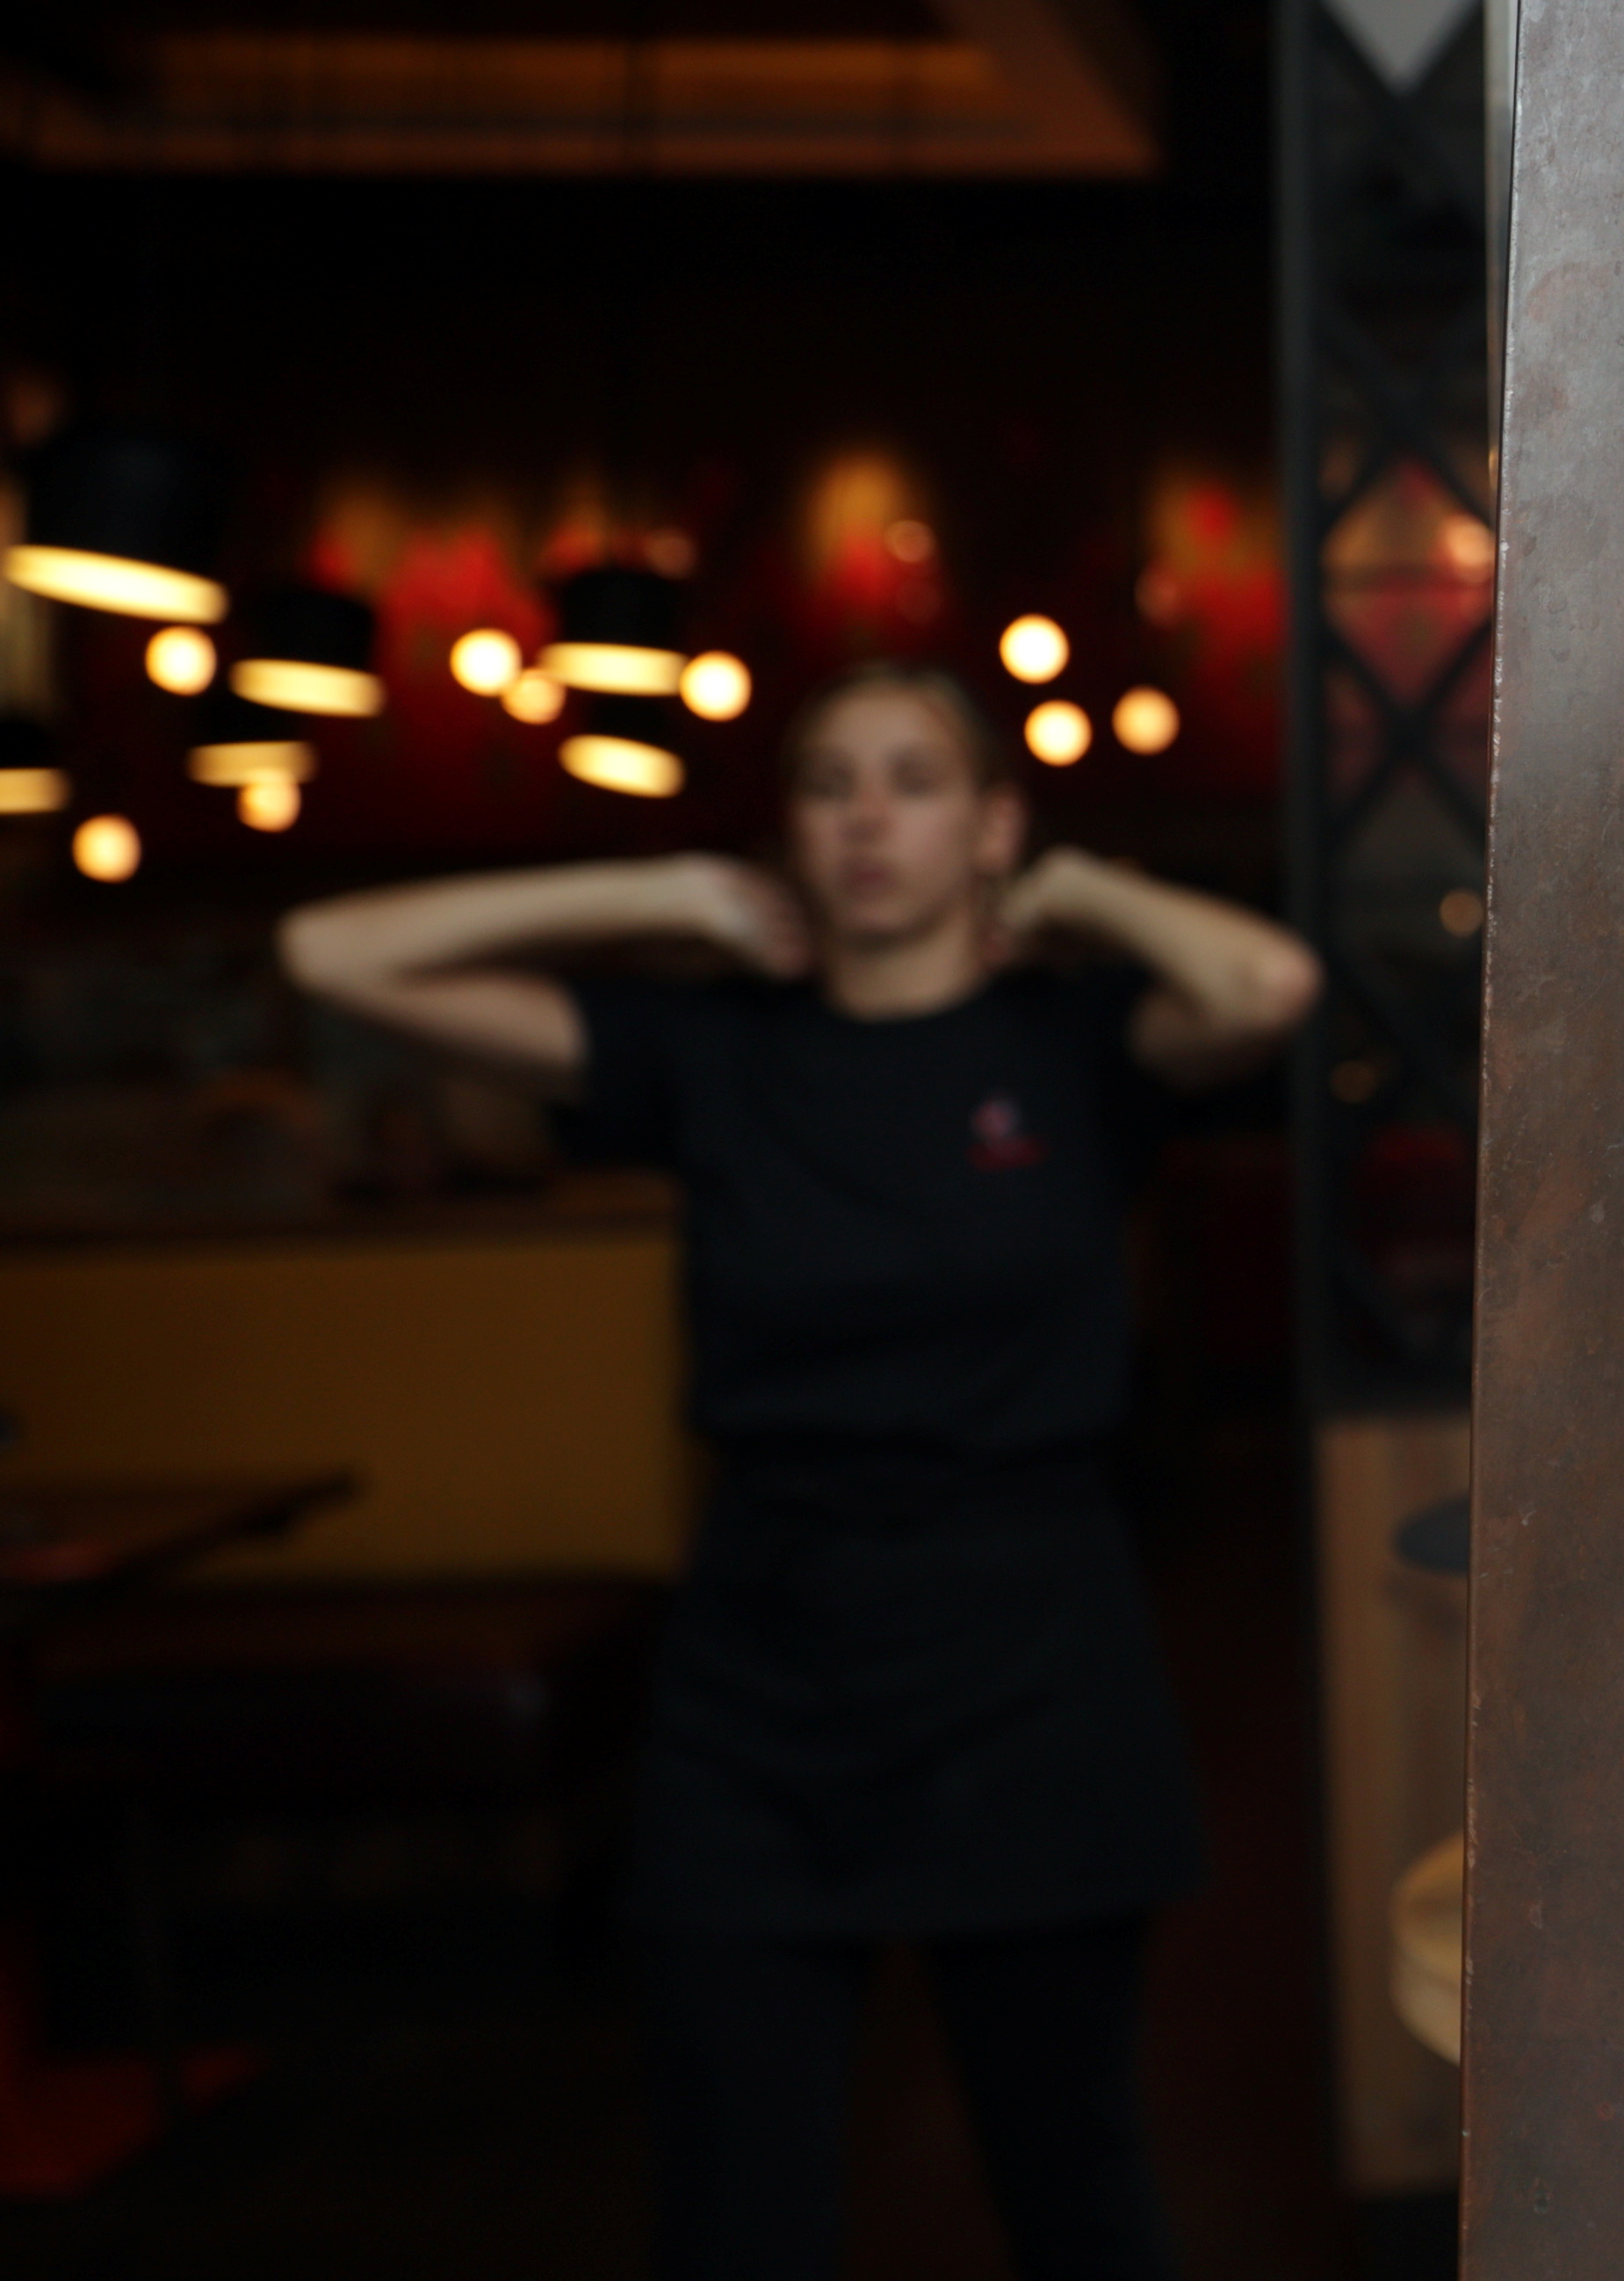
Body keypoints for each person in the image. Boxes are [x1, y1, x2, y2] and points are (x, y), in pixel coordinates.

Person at [280, 661, 1317, 2281]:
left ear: (989, 824)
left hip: (1031, 1664)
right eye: (829, 783)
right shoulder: (705, 1048)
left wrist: (1072, 889)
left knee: (1075, 2196)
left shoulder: (1074, 1040)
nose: (866, 817)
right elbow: (329, 953)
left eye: (914, 779)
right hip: (765, 1673)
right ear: (790, 830)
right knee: (733, 2220)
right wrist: (657, 892)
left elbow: (1266, 982)